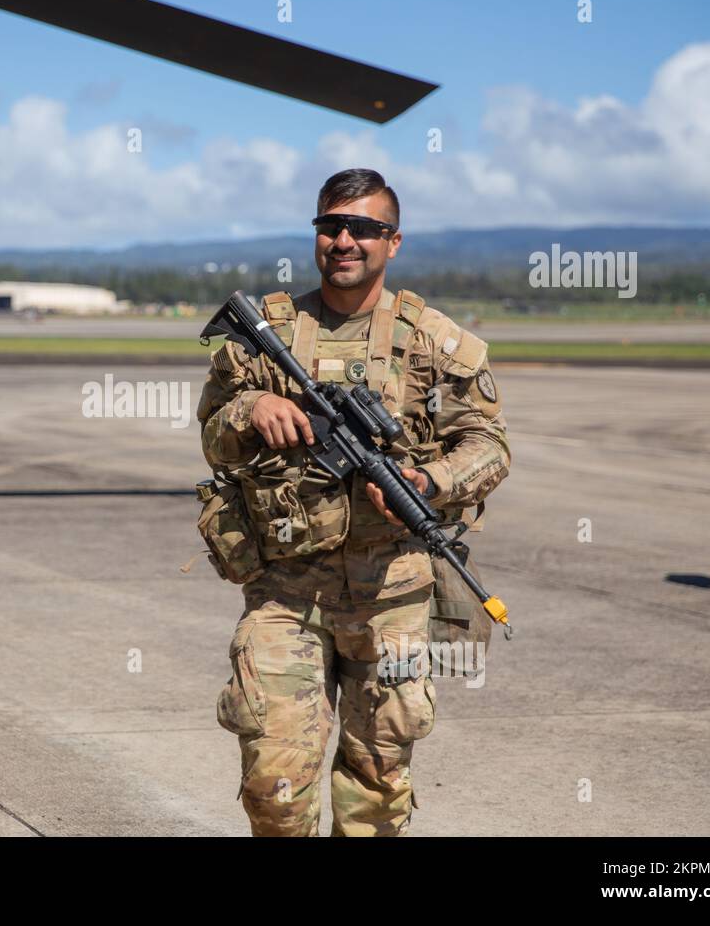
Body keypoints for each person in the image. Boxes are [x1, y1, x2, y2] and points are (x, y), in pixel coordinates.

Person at [197, 168, 511, 836]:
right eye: (331, 226)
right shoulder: (267, 333)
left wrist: (431, 485)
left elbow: (488, 445)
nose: (345, 240)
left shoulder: (434, 340)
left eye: (364, 228)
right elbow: (213, 437)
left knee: (377, 784)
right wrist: (255, 407)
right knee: (273, 786)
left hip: (393, 592)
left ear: (392, 242)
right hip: (285, 592)